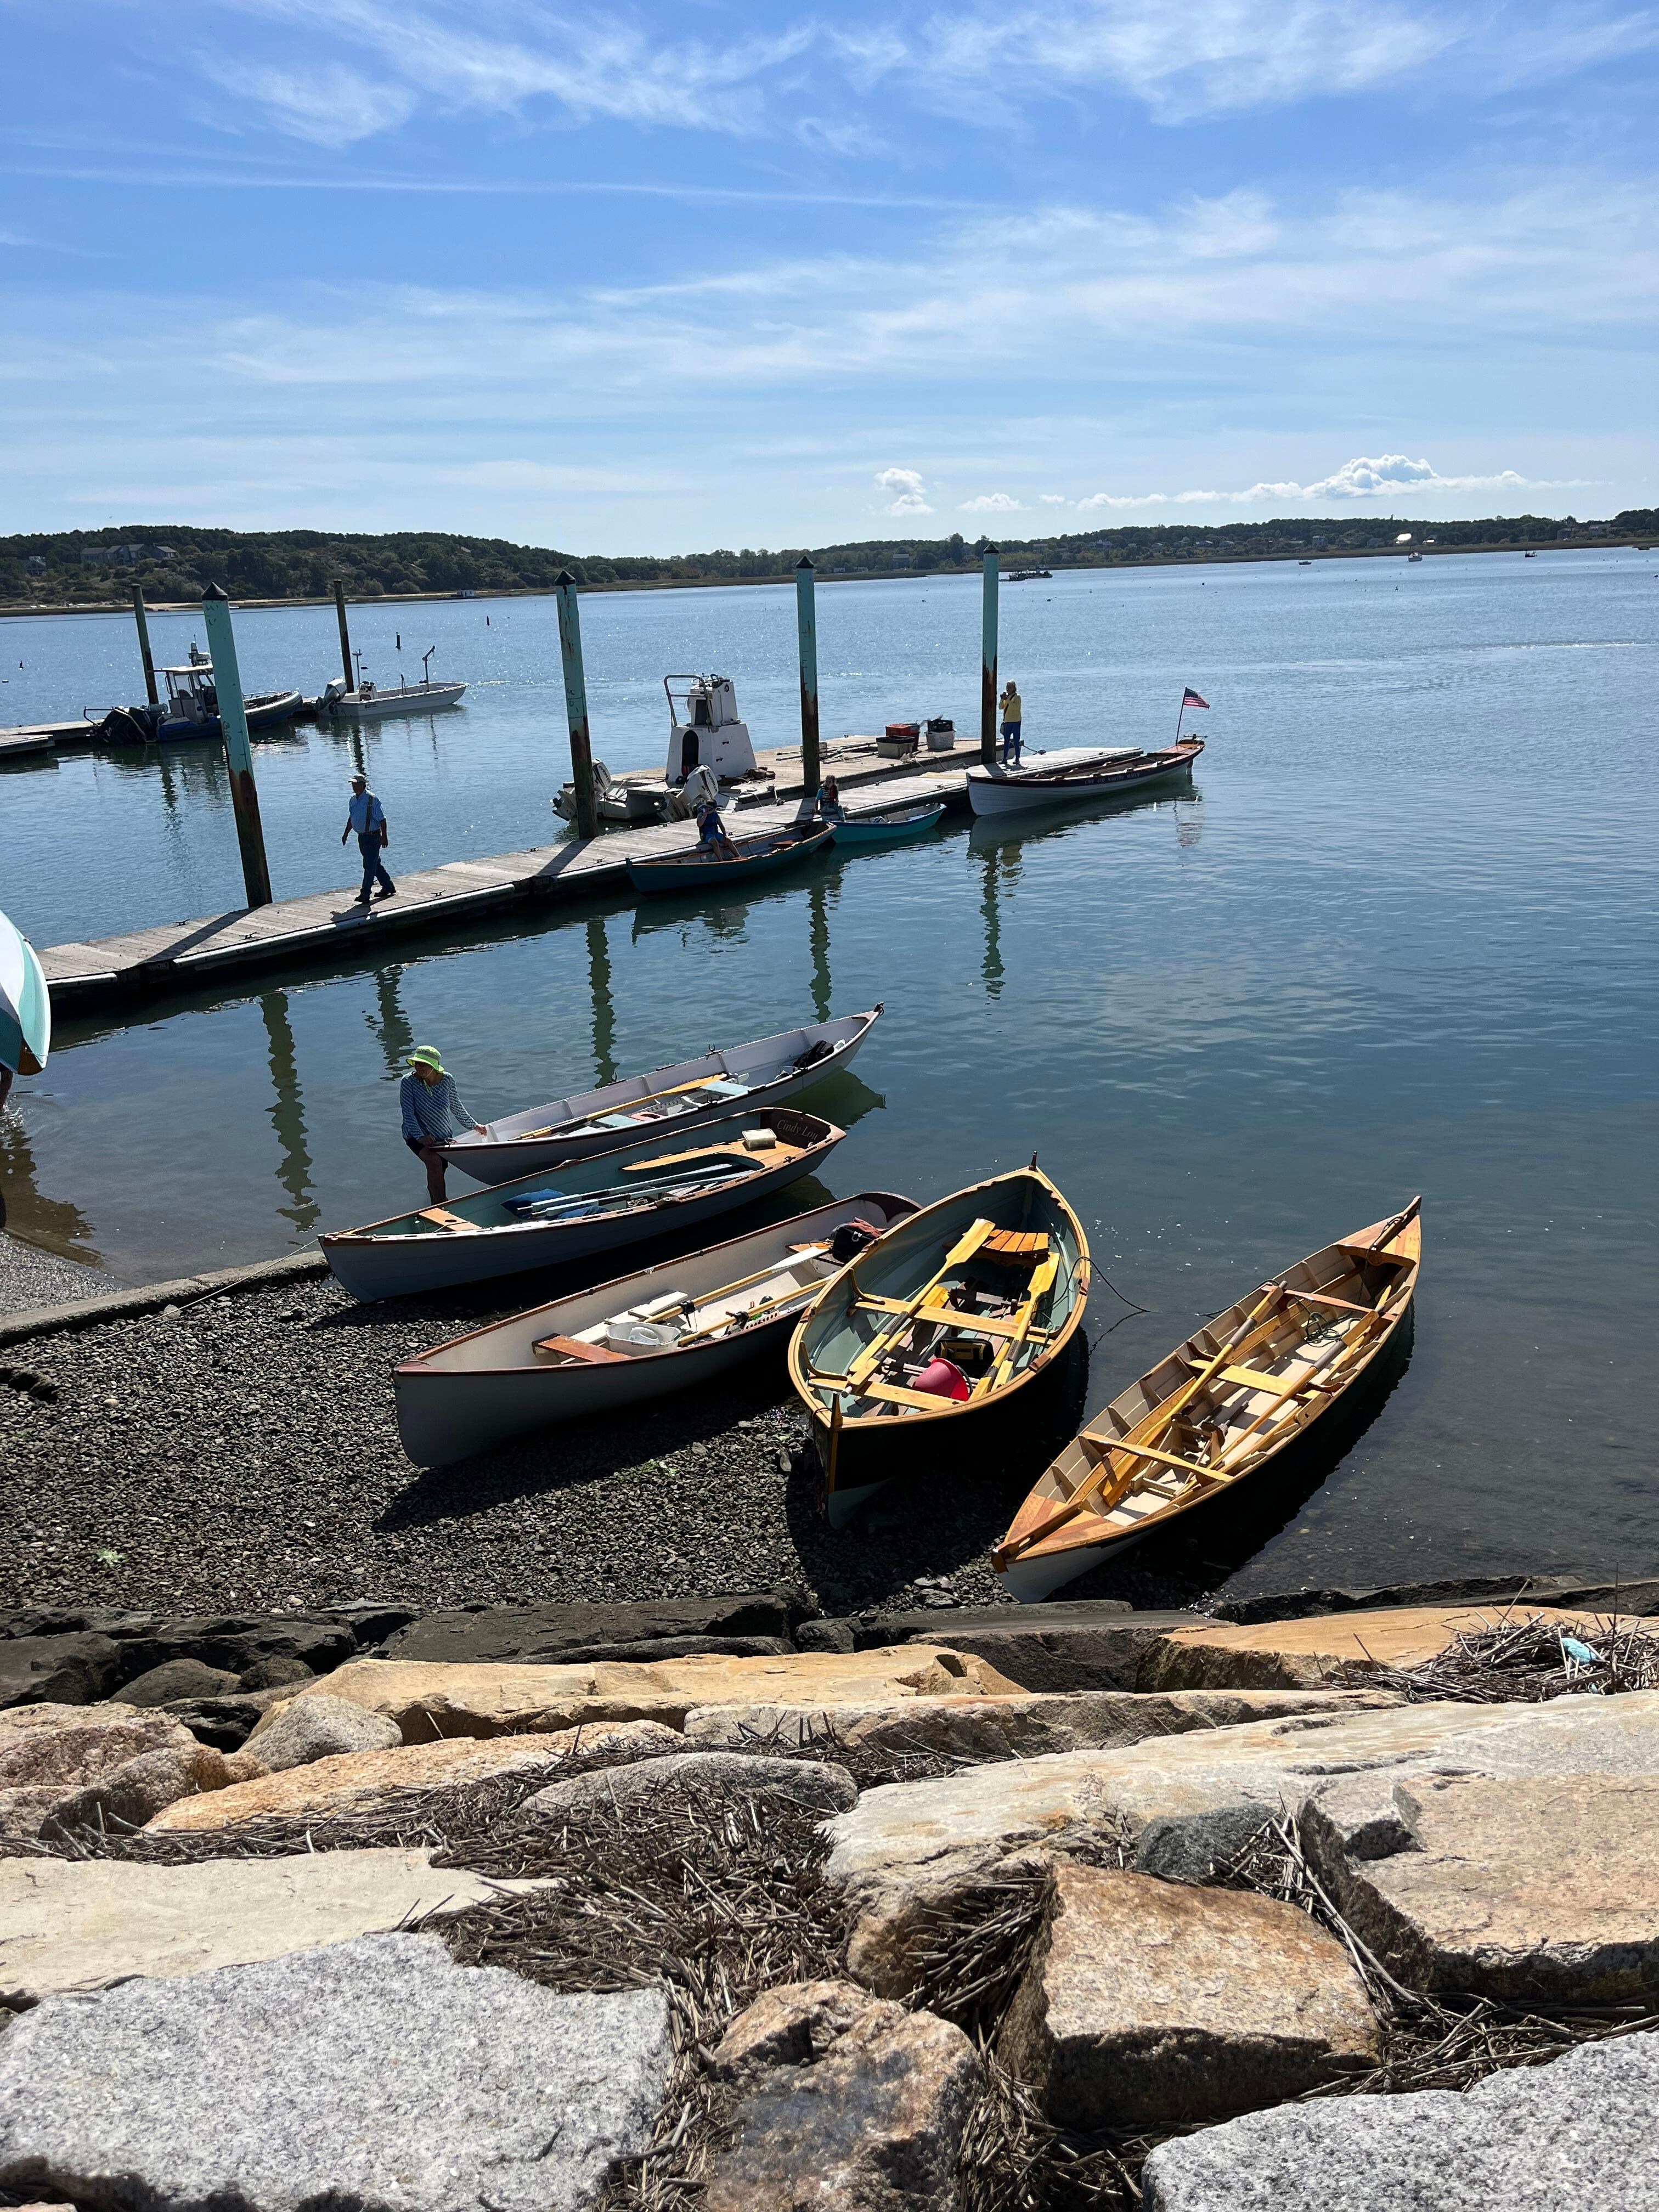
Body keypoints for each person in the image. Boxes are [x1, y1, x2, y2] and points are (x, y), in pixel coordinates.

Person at [399, 1046, 487, 1204]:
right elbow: (408, 1114)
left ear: (433, 1066)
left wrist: (474, 1126)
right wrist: (421, 1137)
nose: (419, 1067)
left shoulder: (447, 1080)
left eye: (423, 1064)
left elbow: (456, 1105)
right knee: (434, 1162)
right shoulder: (408, 1082)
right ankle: (441, 1205)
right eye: (416, 1063)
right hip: (415, 1135)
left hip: (442, 1135)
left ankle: (436, 1199)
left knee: (440, 1171)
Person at [341, 774, 396, 905]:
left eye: (356, 784)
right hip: (362, 838)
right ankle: (388, 886)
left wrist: (384, 837)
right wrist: (346, 833)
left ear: (363, 785)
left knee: (369, 865)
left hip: (373, 837)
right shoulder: (353, 800)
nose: (353, 786)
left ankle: (365, 894)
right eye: (352, 784)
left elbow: (382, 819)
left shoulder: (372, 800)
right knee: (374, 864)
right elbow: (352, 818)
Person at [695, 794, 740, 861]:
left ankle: (738, 857)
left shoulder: (715, 814)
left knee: (729, 841)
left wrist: (725, 835)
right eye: (707, 808)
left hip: (715, 833)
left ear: (715, 809)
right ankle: (721, 860)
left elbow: (721, 825)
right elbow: (699, 825)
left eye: (710, 809)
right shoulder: (702, 814)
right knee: (715, 843)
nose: (708, 810)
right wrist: (705, 815)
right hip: (707, 835)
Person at [999, 681, 1023, 765]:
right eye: (1007, 687)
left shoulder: (1017, 697)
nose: (1008, 689)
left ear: (1014, 688)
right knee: (1006, 741)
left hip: (1016, 721)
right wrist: (1002, 699)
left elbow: (1016, 708)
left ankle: (1017, 758)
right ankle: (1005, 758)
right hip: (1007, 722)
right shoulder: (1006, 698)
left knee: (1016, 741)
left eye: (1010, 687)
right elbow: (1000, 707)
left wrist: (1008, 700)